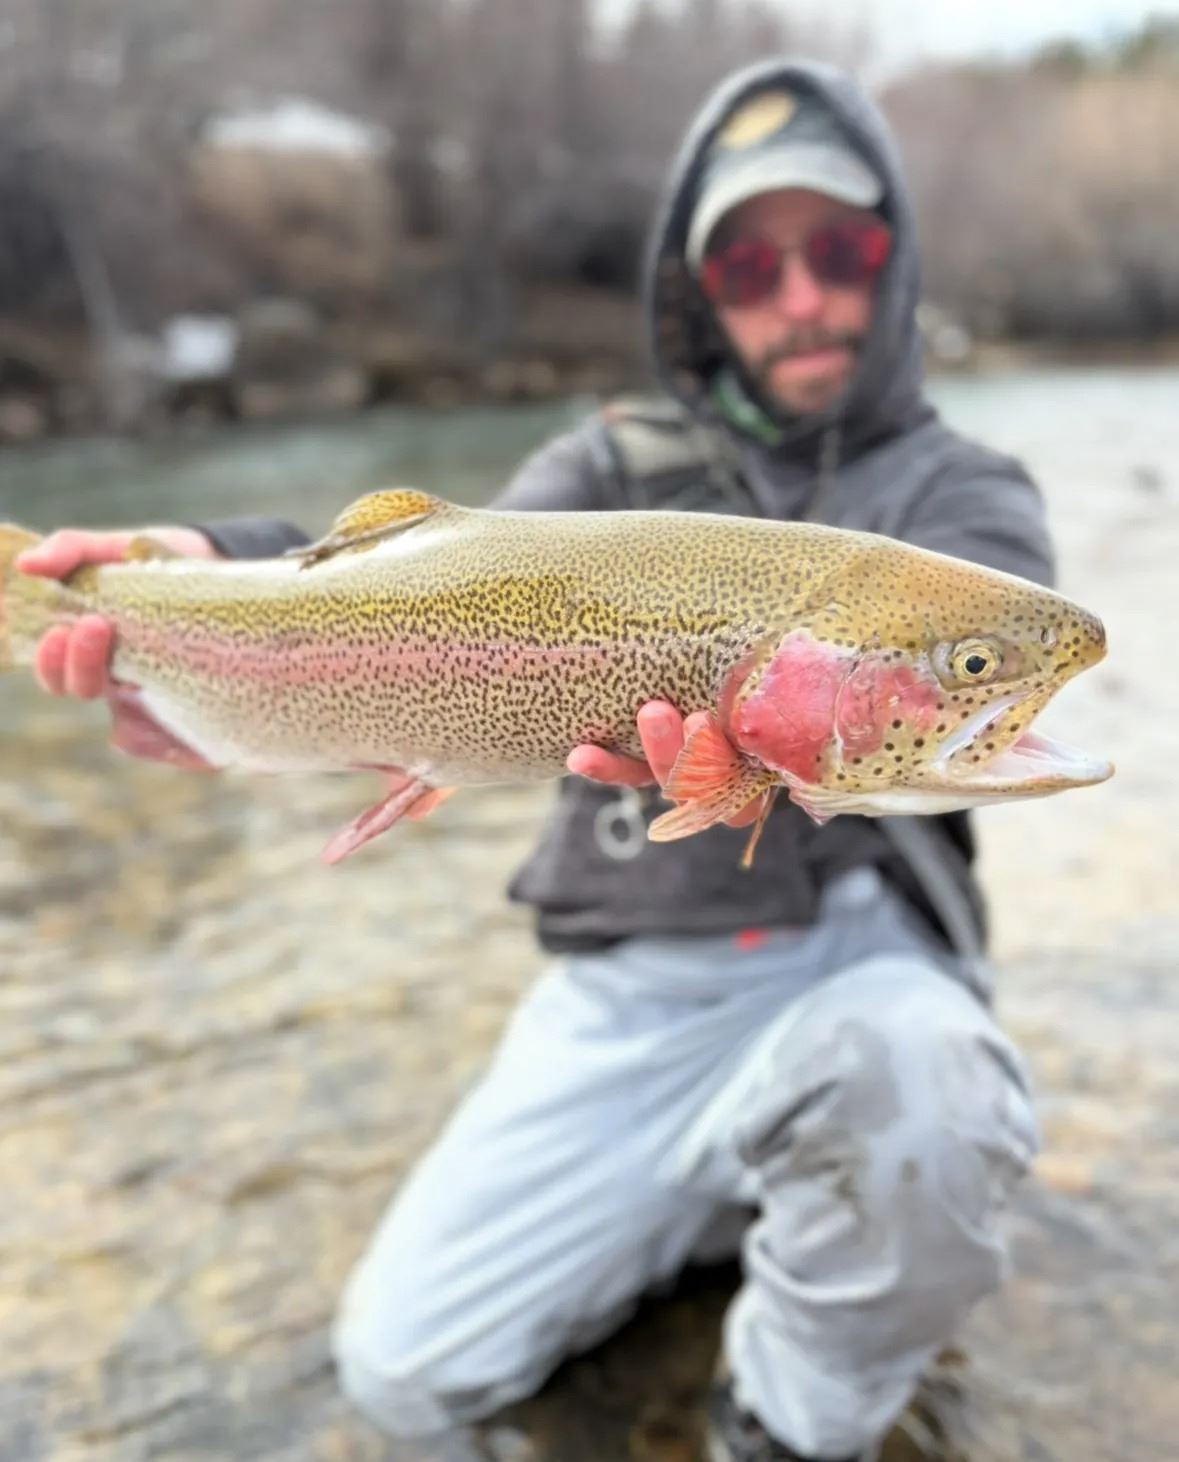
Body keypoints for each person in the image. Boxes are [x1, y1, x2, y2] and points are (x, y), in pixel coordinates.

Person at [19, 59, 1055, 1462]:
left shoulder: (960, 496)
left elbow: (953, 676)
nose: (801, 296)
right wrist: (207, 572)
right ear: (700, 290)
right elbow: (422, 574)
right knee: (401, 1372)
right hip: (628, 993)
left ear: (894, 257)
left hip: (859, 979)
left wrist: (890, 700)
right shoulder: (608, 465)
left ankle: (791, 1420)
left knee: (926, 1086)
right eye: (753, 264)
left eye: (841, 252)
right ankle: (727, 1210)